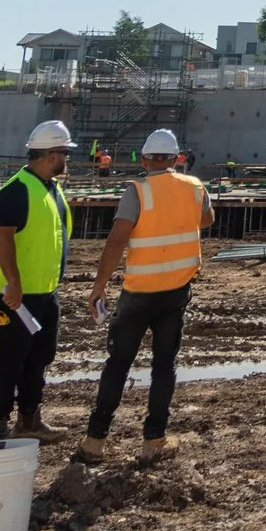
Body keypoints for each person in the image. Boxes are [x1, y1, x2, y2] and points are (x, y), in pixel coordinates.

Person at [79, 127, 213, 463]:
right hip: (176, 291)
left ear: (144, 159)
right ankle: (154, 441)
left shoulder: (137, 190)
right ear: (176, 159)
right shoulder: (195, 187)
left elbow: (116, 240)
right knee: (164, 366)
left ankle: (95, 441)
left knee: (118, 365)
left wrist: (99, 286)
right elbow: (207, 219)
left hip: (138, 292)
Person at [0, 119, 76, 441]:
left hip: (43, 291)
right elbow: (2, 239)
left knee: (38, 358)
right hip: (10, 294)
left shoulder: (52, 189)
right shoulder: (17, 190)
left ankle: (29, 420)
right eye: (65, 153)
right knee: (9, 359)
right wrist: (14, 283)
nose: (68, 159)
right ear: (51, 155)